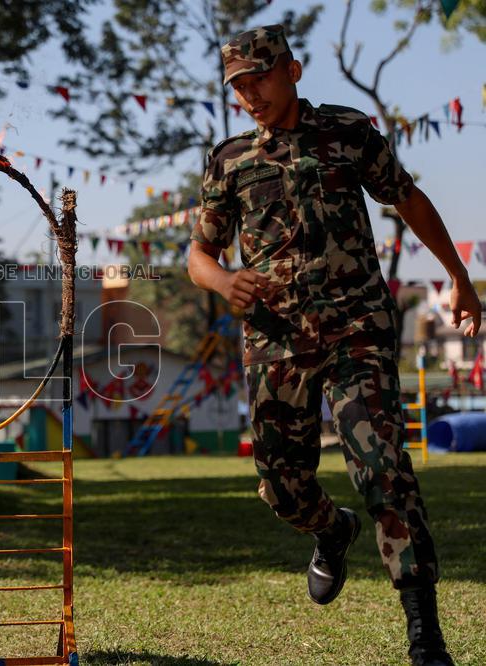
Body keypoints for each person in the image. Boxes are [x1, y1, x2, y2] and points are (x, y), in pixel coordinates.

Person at [187, 25, 481, 666]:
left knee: (384, 472)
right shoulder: (230, 159)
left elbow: (408, 198)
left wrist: (458, 276)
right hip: (275, 344)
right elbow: (199, 254)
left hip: (358, 333)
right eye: (237, 85)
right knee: (281, 487)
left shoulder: (349, 134)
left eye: (259, 78)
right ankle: (332, 528)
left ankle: (424, 635)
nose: (249, 95)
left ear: (293, 70)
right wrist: (223, 281)